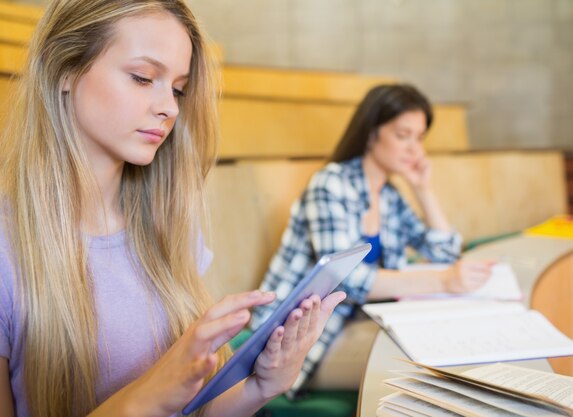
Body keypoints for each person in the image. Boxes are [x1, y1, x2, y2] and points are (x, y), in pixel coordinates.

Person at [0, 1, 346, 416]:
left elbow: (194, 412)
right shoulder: (8, 251)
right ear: (64, 70)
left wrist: (261, 386)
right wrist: (148, 394)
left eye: (178, 88)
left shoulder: (168, 227)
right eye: (143, 78)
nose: (171, 108)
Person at [250, 84, 493, 395]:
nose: (414, 150)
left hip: (359, 323)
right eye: (403, 135)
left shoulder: (389, 196)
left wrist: (423, 189)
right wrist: (443, 281)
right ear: (371, 133)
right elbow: (345, 279)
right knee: (429, 371)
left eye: (419, 138)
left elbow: (444, 253)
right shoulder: (331, 184)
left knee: (449, 343)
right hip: (300, 339)